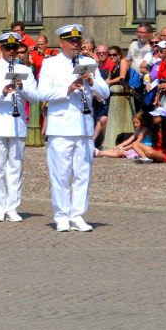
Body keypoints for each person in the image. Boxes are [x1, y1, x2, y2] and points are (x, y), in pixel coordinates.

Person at [36, 24, 109, 231]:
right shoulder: (51, 64)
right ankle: (61, 216)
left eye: (78, 41)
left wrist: (92, 80)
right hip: (60, 126)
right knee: (60, 174)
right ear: (61, 43)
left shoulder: (89, 62)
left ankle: (77, 215)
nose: (76, 45)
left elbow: (105, 93)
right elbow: (42, 93)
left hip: (84, 126)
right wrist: (67, 89)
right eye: (71, 41)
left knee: (82, 173)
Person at [0, 31, 34, 222]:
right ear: (1, 48)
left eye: (15, 49)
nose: (12, 52)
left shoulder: (25, 70)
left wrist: (23, 86)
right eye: (8, 48)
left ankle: (12, 208)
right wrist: (1, 92)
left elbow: (36, 97)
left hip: (17, 124)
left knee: (15, 168)